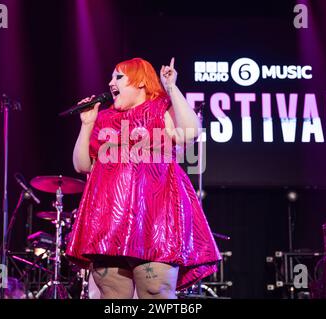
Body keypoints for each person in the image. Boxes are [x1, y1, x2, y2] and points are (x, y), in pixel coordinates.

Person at [66, 57, 221, 299]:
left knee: (155, 290)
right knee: (112, 294)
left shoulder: (161, 107)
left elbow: (190, 134)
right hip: (109, 217)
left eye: (118, 77)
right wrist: (87, 124)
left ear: (139, 81)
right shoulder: (103, 118)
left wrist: (171, 88)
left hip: (157, 215)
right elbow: (82, 165)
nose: (110, 83)